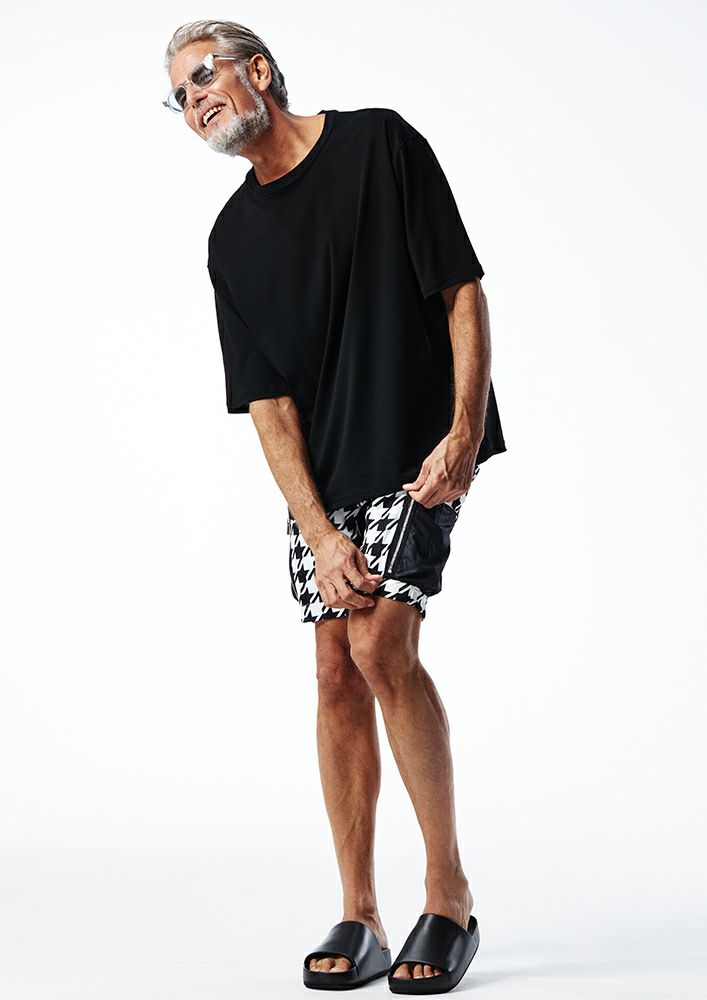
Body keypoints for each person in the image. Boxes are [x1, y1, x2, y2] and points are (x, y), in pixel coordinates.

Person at [163, 19, 506, 994]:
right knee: (331, 667)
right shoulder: (231, 239)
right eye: (178, 97)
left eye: (203, 77)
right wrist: (315, 530)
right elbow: (267, 403)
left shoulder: (379, 142)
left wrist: (463, 427)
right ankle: (360, 911)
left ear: (258, 69)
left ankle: (447, 895)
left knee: (381, 645)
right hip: (324, 476)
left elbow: (461, 288)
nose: (194, 102)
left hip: (417, 445)